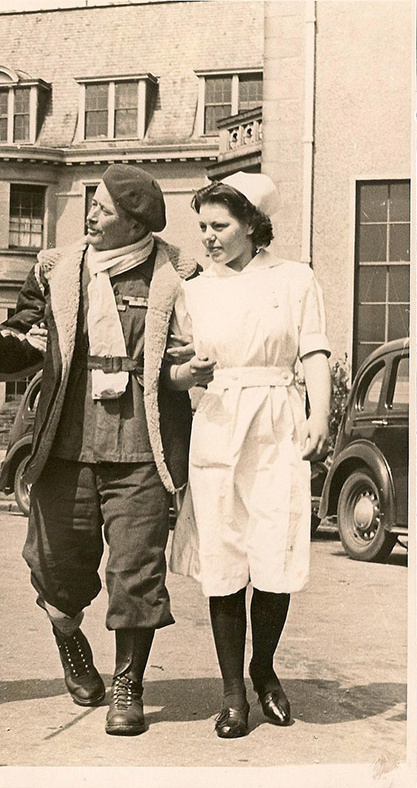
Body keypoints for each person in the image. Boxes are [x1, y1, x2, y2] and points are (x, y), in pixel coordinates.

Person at [0, 164, 197, 735]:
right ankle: (72, 644)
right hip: (65, 440)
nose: (90, 215)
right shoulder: (57, 270)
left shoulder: (176, 274)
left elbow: (193, 350)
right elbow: (26, 341)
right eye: (90, 203)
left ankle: (128, 686)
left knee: (136, 573)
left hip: (142, 444)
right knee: (54, 571)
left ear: (134, 221)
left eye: (103, 208)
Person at [167, 172, 331, 738]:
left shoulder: (294, 279)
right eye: (203, 227)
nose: (208, 237)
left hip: (277, 419)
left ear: (252, 227)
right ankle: (233, 693)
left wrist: (318, 416)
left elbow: (313, 351)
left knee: (275, 553)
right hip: (216, 420)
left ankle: (264, 669)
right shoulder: (192, 288)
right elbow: (173, 368)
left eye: (220, 226)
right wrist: (190, 374)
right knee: (223, 557)